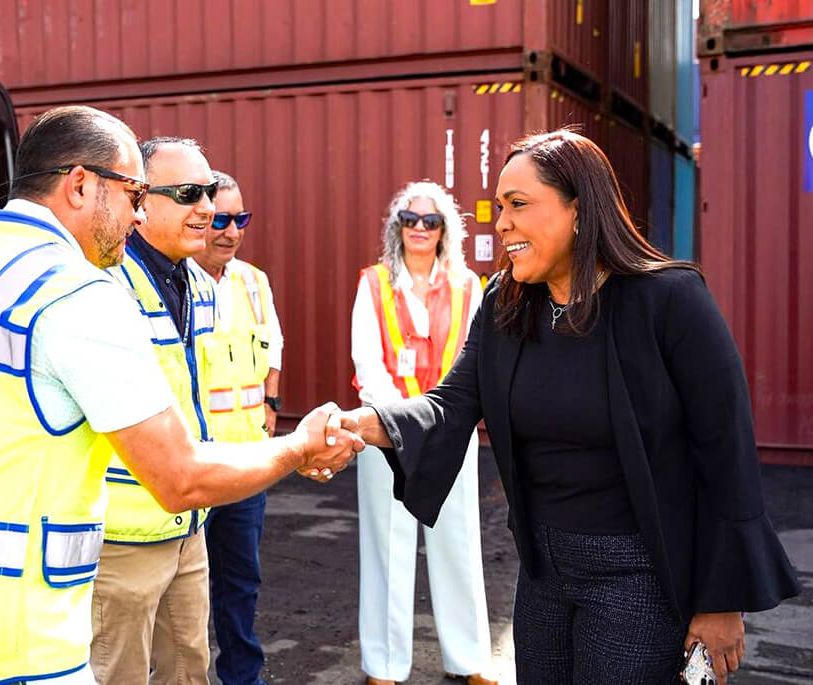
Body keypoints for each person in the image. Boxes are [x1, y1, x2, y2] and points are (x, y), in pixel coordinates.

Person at [0, 106, 362, 685]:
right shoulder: (76, 295)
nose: (137, 214)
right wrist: (298, 448)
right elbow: (179, 477)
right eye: (134, 195)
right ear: (80, 185)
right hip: (21, 654)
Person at [325, 130, 800, 685]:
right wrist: (367, 423)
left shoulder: (669, 301)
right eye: (499, 208)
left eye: (518, 205)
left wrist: (723, 600)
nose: (500, 224)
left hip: (638, 577)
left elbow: (728, 457)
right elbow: (452, 402)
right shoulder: (505, 302)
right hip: (542, 574)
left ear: (579, 208)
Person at [350, 181, 497, 685]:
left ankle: (470, 659)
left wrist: (436, 425)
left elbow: (474, 361)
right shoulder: (372, 284)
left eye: (429, 221)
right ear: (397, 229)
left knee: (459, 544)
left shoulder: (468, 287)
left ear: (444, 231)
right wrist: (401, 425)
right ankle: (384, 666)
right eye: (408, 220)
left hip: (451, 435)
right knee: (386, 548)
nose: (418, 228)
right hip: (384, 432)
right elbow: (368, 364)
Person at [91, 136, 220, 685]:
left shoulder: (204, 287)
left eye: (210, 192)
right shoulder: (100, 287)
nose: (209, 209)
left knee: (191, 670)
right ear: (141, 203)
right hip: (122, 541)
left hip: (189, 525)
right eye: (189, 193)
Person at [191, 170, 283, 685]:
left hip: (247, 461)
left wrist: (271, 404)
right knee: (185, 588)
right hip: (196, 462)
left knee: (240, 581)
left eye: (240, 219)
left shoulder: (253, 281)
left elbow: (273, 345)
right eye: (221, 219)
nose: (231, 231)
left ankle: (243, 677)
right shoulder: (178, 283)